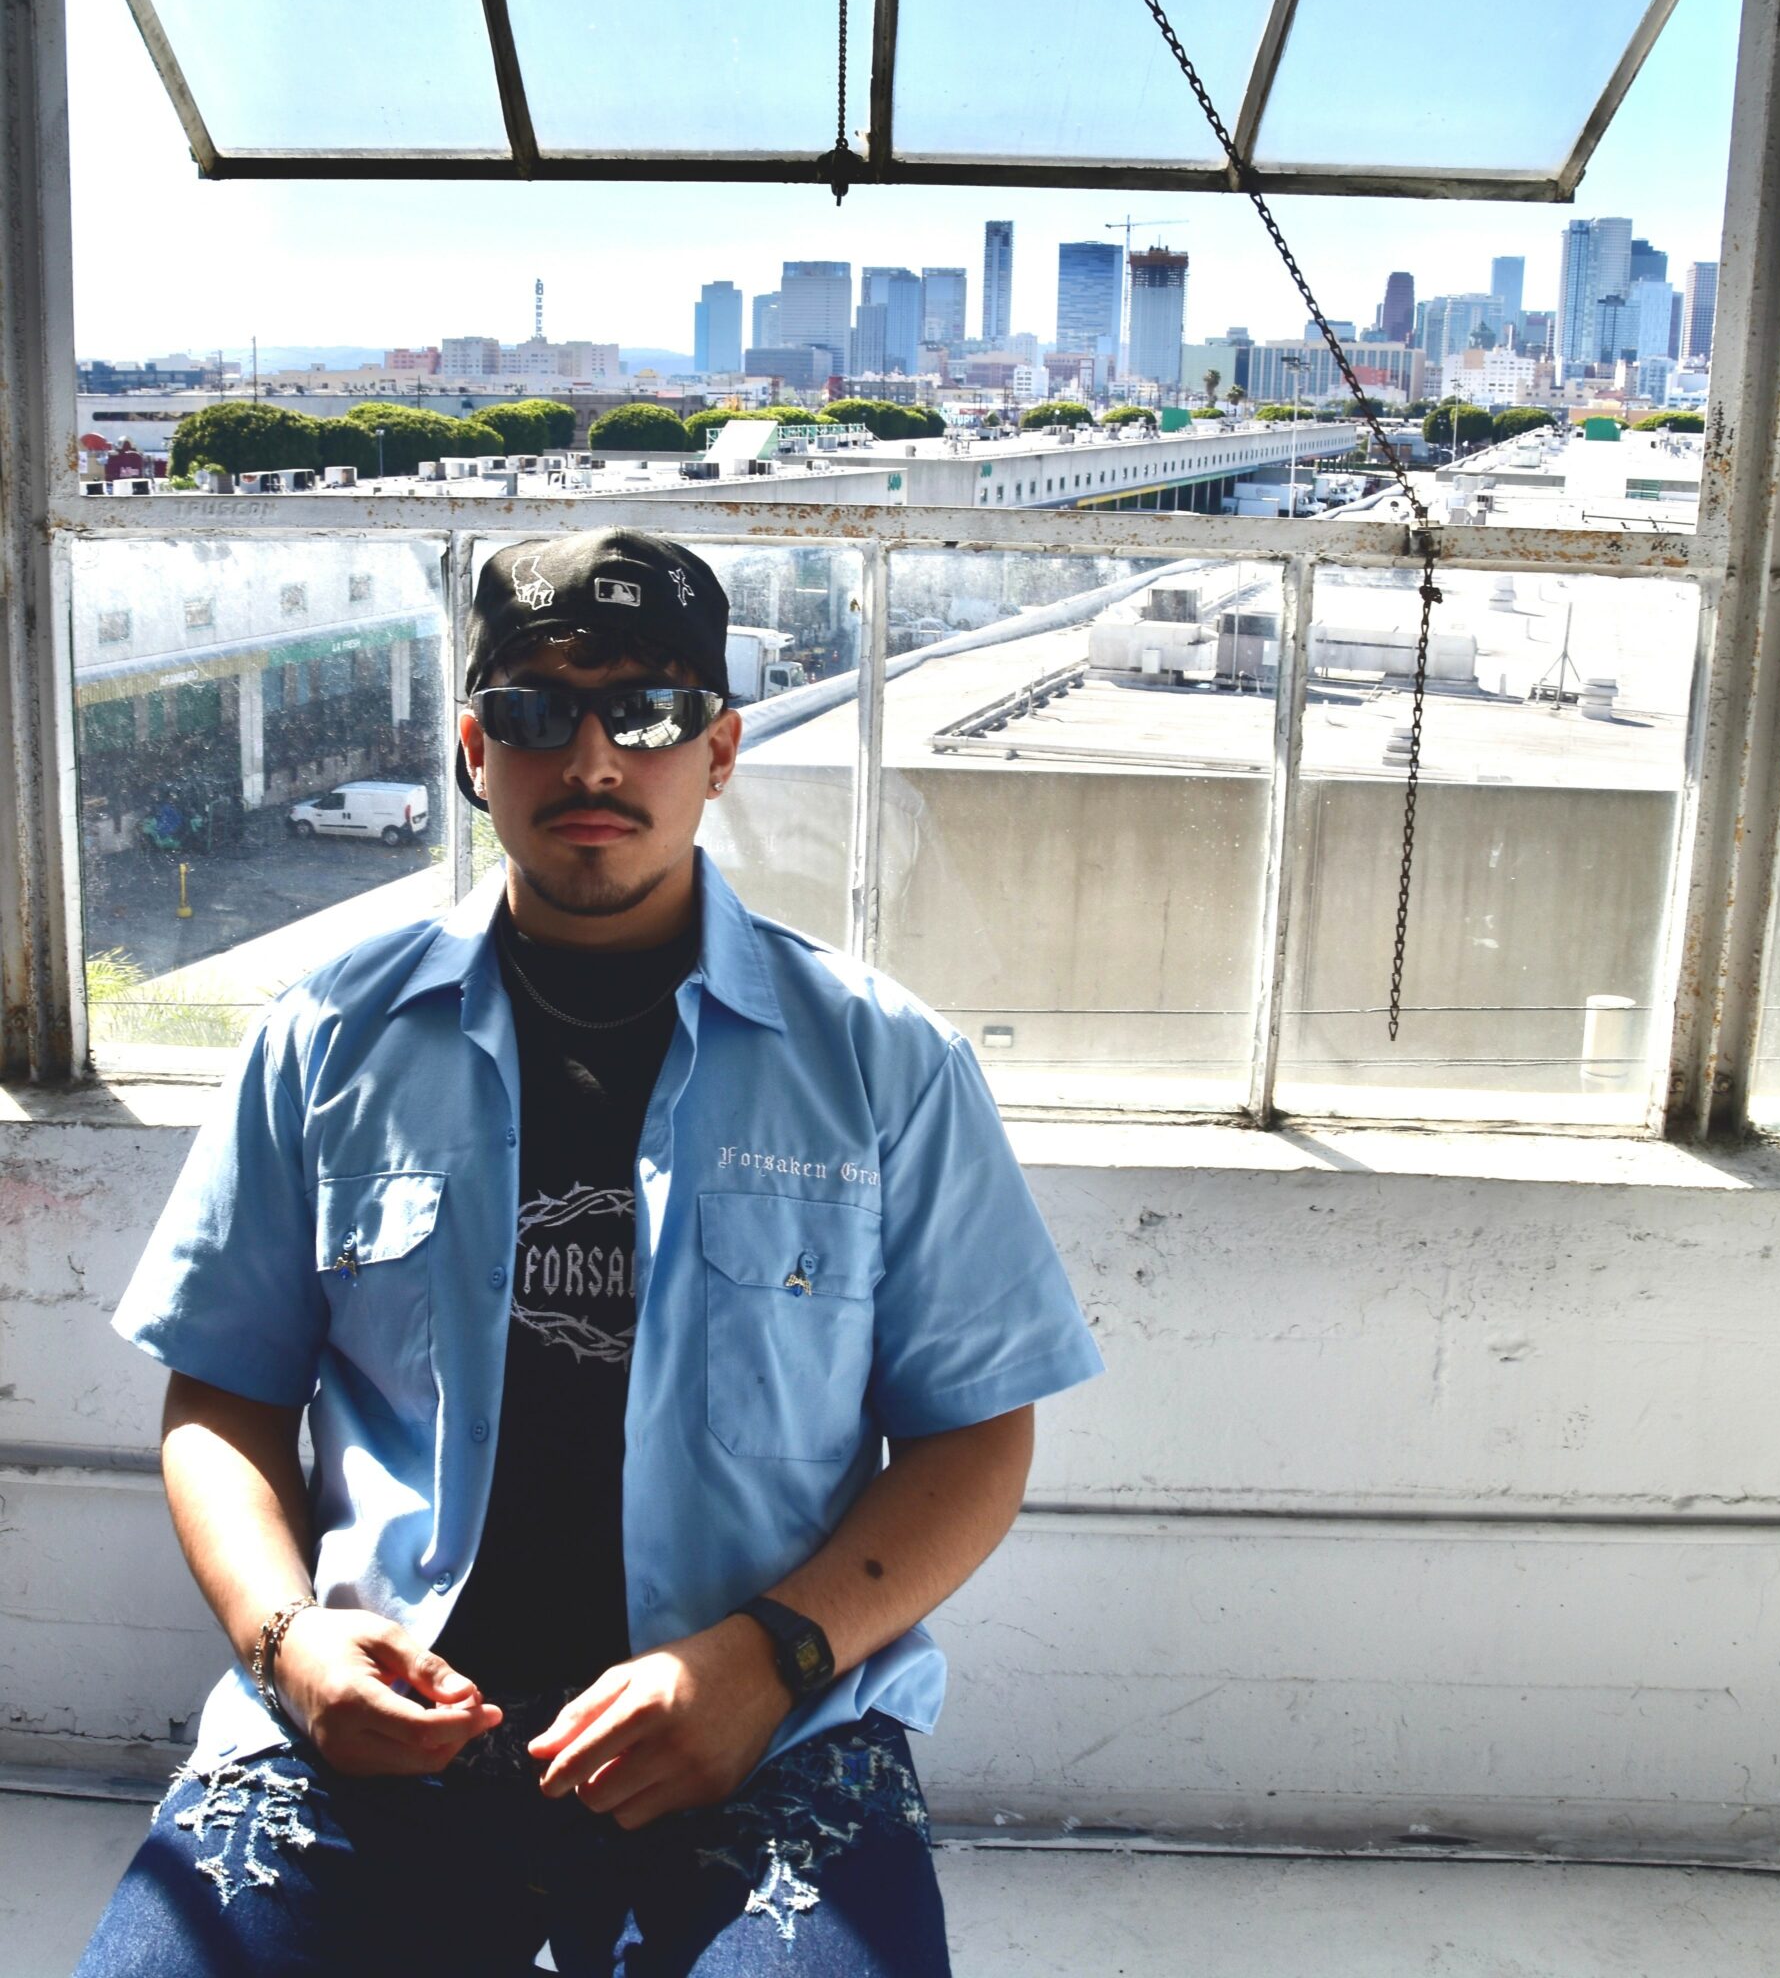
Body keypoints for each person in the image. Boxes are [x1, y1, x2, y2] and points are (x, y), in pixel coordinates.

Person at [78, 527, 1103, 1976]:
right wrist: (290, 1645)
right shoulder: (327, 1042)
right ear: (473, 749)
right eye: (538, 710)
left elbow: (977, 1432)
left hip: (767, 1735)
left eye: (650, 711)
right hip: (375, 1727)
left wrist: (768, 1661)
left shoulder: (883, 1065)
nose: (595, 758)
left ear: (721, 749)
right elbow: (221, 1398)